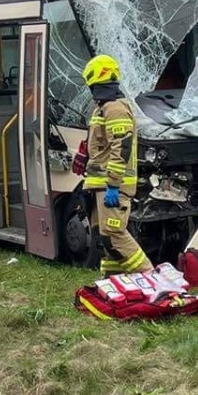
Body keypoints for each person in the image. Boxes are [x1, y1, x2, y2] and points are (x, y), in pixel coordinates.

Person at [81, 54, 150, 274]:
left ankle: (152, 277)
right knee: (105, 239)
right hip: (100, 184)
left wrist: (112, 184)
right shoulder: (103, 107)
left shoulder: (115, 108)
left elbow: (122, 147)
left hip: (113, 186)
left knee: (115, 235)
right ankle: (112, 281)